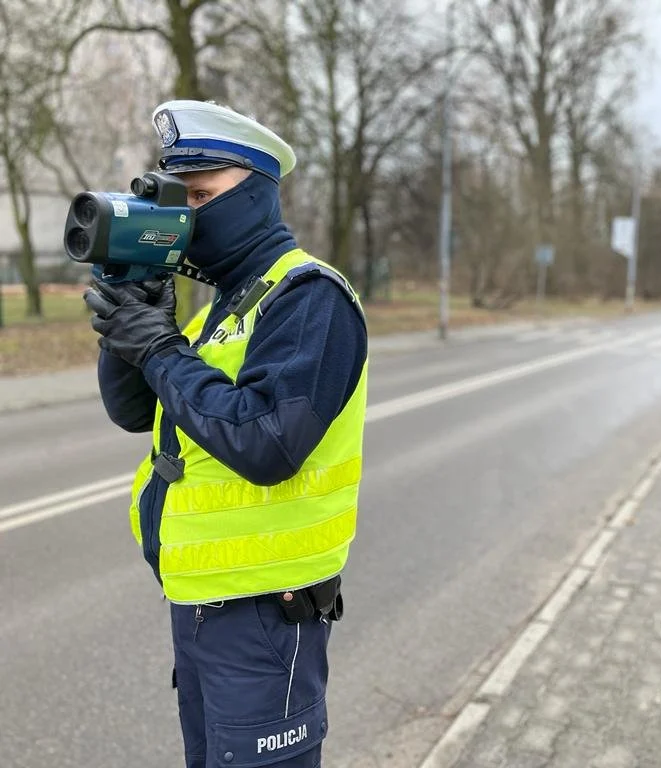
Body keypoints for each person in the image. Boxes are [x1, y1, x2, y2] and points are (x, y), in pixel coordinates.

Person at [83, 100, 368, 768]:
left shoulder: (307, 297)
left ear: (257, 194)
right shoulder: (224, 306)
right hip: (203, 610)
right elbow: (138, 413)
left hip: (267, 619)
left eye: (202, 196)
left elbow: (265, 443)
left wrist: (159, 351)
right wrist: (131, 325)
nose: (186, 216)